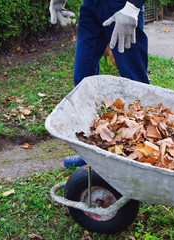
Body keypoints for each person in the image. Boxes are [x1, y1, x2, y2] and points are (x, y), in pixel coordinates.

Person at [49, 0, 149, 167]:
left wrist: (133, 7)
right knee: (83, 80)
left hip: (122, 7)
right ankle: (94, 150)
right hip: (91, 6)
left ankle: (144, 154)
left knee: (135, 83)